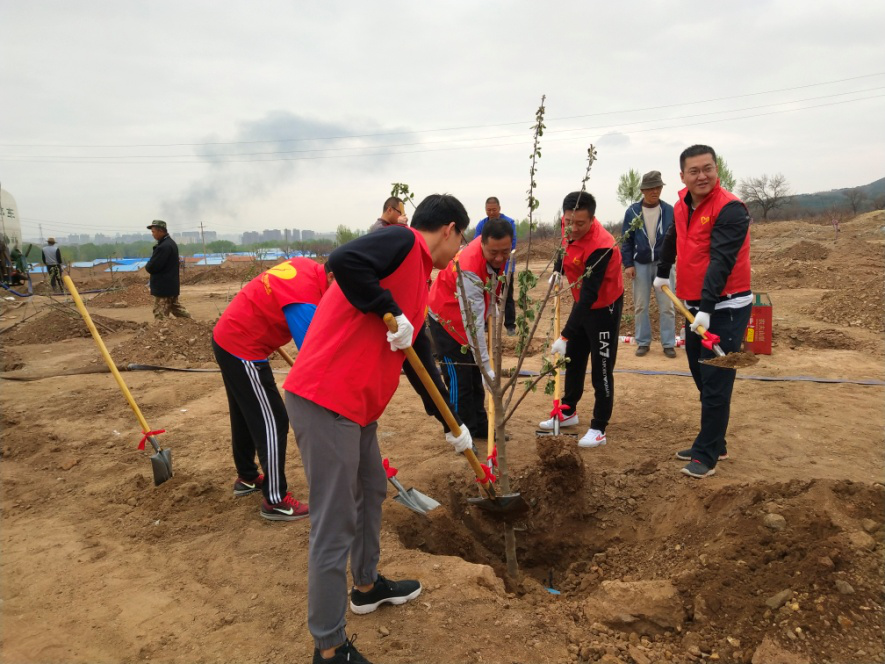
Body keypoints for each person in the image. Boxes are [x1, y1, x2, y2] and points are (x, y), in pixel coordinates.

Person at [282, 194, 472, 664]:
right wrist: (387, 306)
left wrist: (450, 420)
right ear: (449, 229)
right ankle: (328, 646)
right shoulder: (402, 241)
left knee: (371, 489)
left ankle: (366, 585)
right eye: (461, 239)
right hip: (326, 398)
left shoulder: (420, 279)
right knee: (334, 522)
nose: (458, 251)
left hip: (358, 407)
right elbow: (344, 260)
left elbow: (418, 357)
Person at [653, 144, 752, 479]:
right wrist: (663, 269)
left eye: (707, 168)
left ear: (717, 169)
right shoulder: (683, 203)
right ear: (682, 176)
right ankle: (716, 440)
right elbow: (673, 235)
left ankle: (707, 454)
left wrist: (708, 308)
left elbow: (721, 262)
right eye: (694, 171)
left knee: (715, 380)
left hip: (725, 306)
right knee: (700, 371)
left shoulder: (731, 209)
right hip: (693, 304)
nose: (702, 176)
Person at [212, 256, 334, 521]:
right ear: (333, 278)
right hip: (242, 347)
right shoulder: (304, 299)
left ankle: (246, 477)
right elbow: (313, 355)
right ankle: (275, 499)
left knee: (246, 414)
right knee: (274, 420)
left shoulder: (306, 266)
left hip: (228, 336)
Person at [539, 192, 624, 449]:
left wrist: (565, 334)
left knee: (601, 369)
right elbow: (563, 247)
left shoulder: (602, 245)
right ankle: (568, 409)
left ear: (593, 219)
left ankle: (599, 426)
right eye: (569, 222)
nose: (573, 228)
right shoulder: (568, 226)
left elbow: (588, 296)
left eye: (580, 224)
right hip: (584, 303)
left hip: (603, 307)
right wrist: (558, 270)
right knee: (574, 361)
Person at [427, 217, 512, 439]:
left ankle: (480, 427)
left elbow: (492, 293)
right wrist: (486, 365)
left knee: (475, 377)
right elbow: (472, 324)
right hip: (446, 320)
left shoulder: (499, 256)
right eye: (494, 252)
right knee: (460, 378)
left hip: (466, 317)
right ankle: (460, 431)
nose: (500, 257)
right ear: (482, 243)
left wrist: (492, 310)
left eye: (505, 251)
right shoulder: (469, 268)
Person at [621, 170, 677, 358]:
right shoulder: (633, 212)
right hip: (641, 264)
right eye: (651, 188)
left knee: (667, 305)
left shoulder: (670, 210)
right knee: (640, 305)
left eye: (658, 187)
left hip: (665, 264)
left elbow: (677, 238)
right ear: (643, 190)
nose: (655, 191)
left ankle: (668, 343)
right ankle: (643, 342)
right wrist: (628, 264)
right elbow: (626, 240)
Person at [473, 197, 517, 335]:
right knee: (486, 294)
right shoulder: (482, 225)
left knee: (507, 296)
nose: (491, 213)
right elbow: (476, 243)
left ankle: (510, 325)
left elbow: (512, 245)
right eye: (488, 210)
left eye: (494, 210)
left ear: (499, 208)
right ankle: (486, 323)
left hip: (506, 267)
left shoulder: (509, 223)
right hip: (486, 268)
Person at [145, 220, 191, 319]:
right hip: (171, 285)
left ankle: (162, 332)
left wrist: (147, 265)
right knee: (175, 308)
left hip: (163, 287)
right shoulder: (170, 243)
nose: (152, 234)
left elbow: (152, 267)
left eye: (153, 232)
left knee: (160, 313)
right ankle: (193, 324)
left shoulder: (163, 247)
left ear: (161, 231)